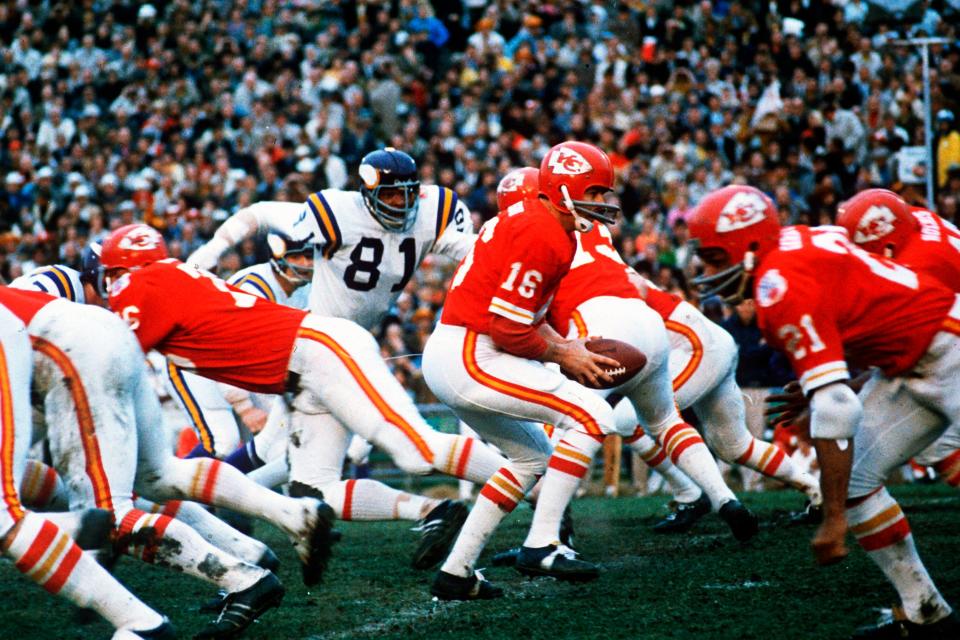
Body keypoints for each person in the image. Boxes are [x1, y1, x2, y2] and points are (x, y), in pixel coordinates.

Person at [101, 223, 508, 572]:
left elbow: (116, 360)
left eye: (110, 274)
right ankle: (431, 511)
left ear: (121, 269)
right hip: (301, 371)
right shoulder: (171, 276)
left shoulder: (142, 282)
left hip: (315, 353)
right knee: (313, 491)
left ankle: (539, 486)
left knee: (416, 452)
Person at [688, 184, 960, 638]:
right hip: (911, 363)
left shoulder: (778, 284)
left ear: (751, 246)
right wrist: (827, 380)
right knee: (856, 482)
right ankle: (924, 611)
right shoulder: (795, 245)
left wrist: (833, 518)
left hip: (947, 349)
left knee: (845, 482)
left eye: (718, 257)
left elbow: (835, 409)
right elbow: (872, 315)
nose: (710, 271)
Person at [0, 284, 322, 638]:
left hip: (64, 348)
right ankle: (259, 538)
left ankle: (228, 584)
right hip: (103, 334)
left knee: (107, 512)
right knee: (157, 475)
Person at [423, 142, 654, 600]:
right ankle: (543, 543)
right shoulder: (543, 232)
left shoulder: (540, 224)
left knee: (531, 459)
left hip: (461, 351)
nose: (603, 202)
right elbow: (509, 330)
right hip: (472, 354)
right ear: (563, 186)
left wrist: (563, 344)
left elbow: (526, 316)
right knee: (593, 416)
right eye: (594, 190)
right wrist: (565, 356)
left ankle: (456, 573)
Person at [0, 294, 175, 640]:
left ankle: (140, 622)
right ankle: (72, 526)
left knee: (3, 516)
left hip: (54, 346)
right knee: (160, 475)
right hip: (77, 339)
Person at [836, 188, 960, 488]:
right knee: (936, 446)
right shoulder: (911, 220)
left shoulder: (918, 268)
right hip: (944, 335)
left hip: (947, 342)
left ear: (889, 245)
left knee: (939, 443)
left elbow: (908, 342)